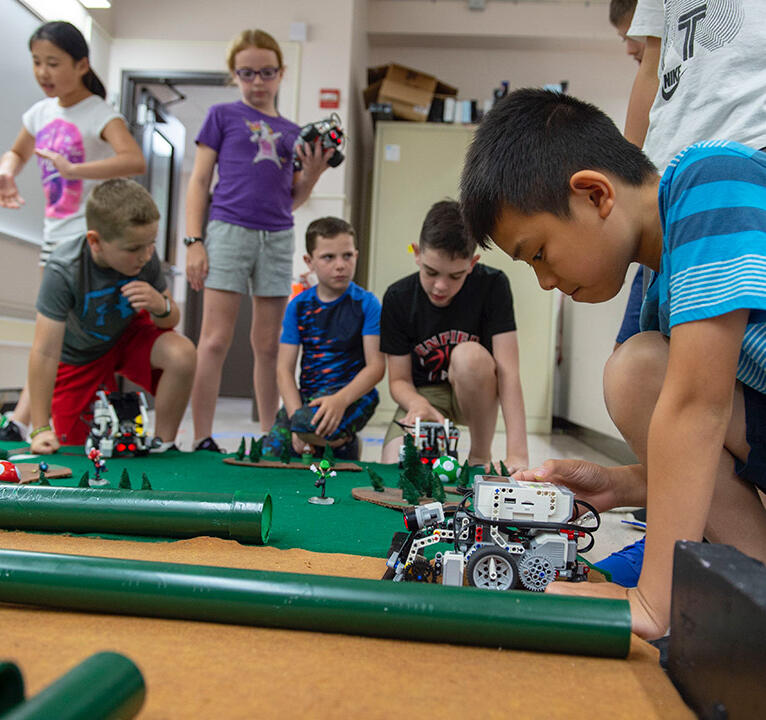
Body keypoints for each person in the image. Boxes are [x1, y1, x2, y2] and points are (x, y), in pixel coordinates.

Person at [460, 88, 766, 639]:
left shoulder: (709, 178)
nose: (545, 281)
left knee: (638, 372)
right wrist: (620, 485)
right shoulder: (660, 292)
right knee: (638, 368)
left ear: (595, 194)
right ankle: (756, 594)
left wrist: (651, 601)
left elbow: (700, 406)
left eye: (538, 253)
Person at [185, 28, 332, 453]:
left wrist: (314, 173)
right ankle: (202, 436)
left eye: (267, 72)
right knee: (214, 339)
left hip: (277, 236)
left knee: (268, 345)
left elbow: (292, 198)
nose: (257, 81)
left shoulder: (293, 132)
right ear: (234, 74)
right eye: (247, 72)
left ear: (281, 73)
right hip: (228, 230)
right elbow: (199, 181)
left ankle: (273, 436)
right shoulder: (221, 116)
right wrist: (194, 240)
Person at [0, 20, 145, 443]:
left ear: (82, 64)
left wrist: (74, 170)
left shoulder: (99, 112)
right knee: (47, 333)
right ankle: (23, 419)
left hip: (88, 243)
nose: (43, 72)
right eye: (36, 62)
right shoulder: (40, 112)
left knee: (62, 336)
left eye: (53, 63)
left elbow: (133, 159)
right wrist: (7, 171)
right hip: (53, 237)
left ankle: (28, 419)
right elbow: (17, 152)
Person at [27, 178, 196, 455]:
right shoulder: (64, 268)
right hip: (80, 355)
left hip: (128, 335)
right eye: (133, 249)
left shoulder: (145, 255)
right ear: (95, 242)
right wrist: (40, 428)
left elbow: (169, 321)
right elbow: (45, 351)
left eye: (150, 244)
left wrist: (161, 305)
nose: (145, 256)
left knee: (182, 353)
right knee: (78, 449)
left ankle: (164, 445)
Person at [379, 200, 528, 472]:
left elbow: (508, 373)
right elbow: (399, 380)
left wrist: (517, 454)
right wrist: (417, 404)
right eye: (431, 272)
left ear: (472, 263)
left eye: (455, 276)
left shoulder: (493, 286)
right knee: (396, 464)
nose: (440, 286)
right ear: (417, 253)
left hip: (476, 392)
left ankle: (479, 455)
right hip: (425, 395)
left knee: (468, 356)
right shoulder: (398, 297)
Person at [262, 217, 384, 461]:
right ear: (309, 261)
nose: (340, 265)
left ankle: (344, 443)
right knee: (271, 452)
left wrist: (340, 401)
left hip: (353, 395)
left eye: (347, 256)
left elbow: (376, 367)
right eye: (328, 257)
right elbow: (284, 370)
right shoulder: (298, 306)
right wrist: (297, 421)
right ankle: (332, 441)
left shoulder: (367, 304)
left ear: (356, 255)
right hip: (309, 398)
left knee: (322, 442)